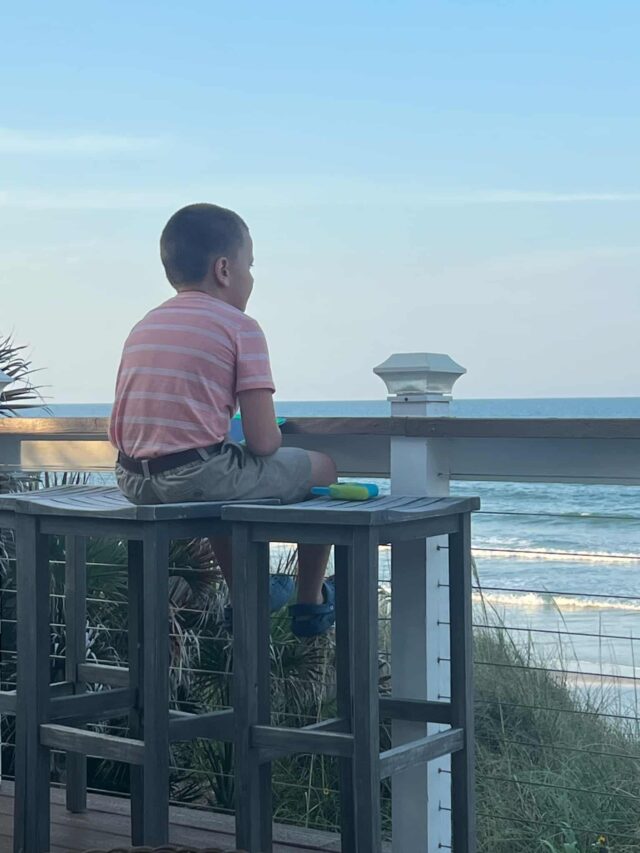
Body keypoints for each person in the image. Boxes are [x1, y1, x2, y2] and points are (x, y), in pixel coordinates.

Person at [109, 203, 337, 636]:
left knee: (218, 470)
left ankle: (248, 589)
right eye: (250, 265)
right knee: (321, 465)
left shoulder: (145, 324)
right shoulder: (240, 326)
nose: (252, 277)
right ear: (224, 269)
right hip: (193, 477)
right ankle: (311, 601)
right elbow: (265, 442)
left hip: (134, 481)